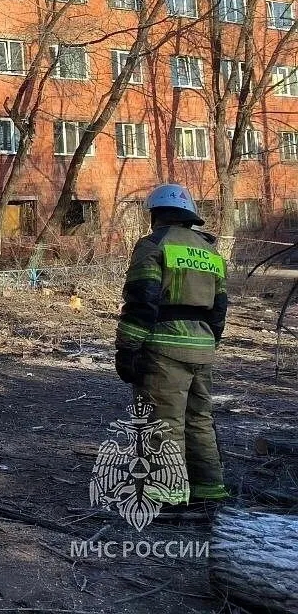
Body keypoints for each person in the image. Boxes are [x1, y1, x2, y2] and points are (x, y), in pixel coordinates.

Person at [115, 184, 229, 512]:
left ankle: (166, 496)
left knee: (163, 422)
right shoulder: (210, 251)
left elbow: (142, 300)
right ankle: (208, 488)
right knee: (199, 419)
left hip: (164, 347)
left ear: (157, 214)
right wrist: (209, 341)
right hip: (203, 346)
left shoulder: (153, 245)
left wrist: (127, 348)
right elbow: (220, 306)